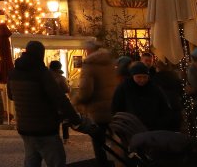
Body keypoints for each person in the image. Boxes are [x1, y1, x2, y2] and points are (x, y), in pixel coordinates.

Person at [10, 41, 83, 167]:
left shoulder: (13, 72)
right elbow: (59, 98)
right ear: (41, 54)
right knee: (56, 161)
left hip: (24, 126)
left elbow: (11, 95)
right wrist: (75, 118)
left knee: (31, 159)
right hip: (44, 126)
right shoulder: (42, 73)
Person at [73, 39, 117, 167]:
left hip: (97, 109)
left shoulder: (90, 64)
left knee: (98, 142)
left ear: (88, 50)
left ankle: (103, 164)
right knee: (113, 140)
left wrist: (76, 101)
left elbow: (86, 90)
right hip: (111, 106)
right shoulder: (109, 62)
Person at [111, 63, 176, 131]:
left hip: (153, 128)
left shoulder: (154, 88)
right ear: (133, 76)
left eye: (145, 77)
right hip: (131, 128)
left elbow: (164, 107)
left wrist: (161, 124)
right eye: (139, 77)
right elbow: (116, 107)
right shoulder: (124, 88)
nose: (142, 80)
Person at [49, 60, 71, 142]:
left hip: (50, 102)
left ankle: (54, 137)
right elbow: (66, 89)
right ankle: (65, 138)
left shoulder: (45, 77)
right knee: (65, 120)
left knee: (54, 121)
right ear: (59, 68)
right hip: (60, 101)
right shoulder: (61, 78)